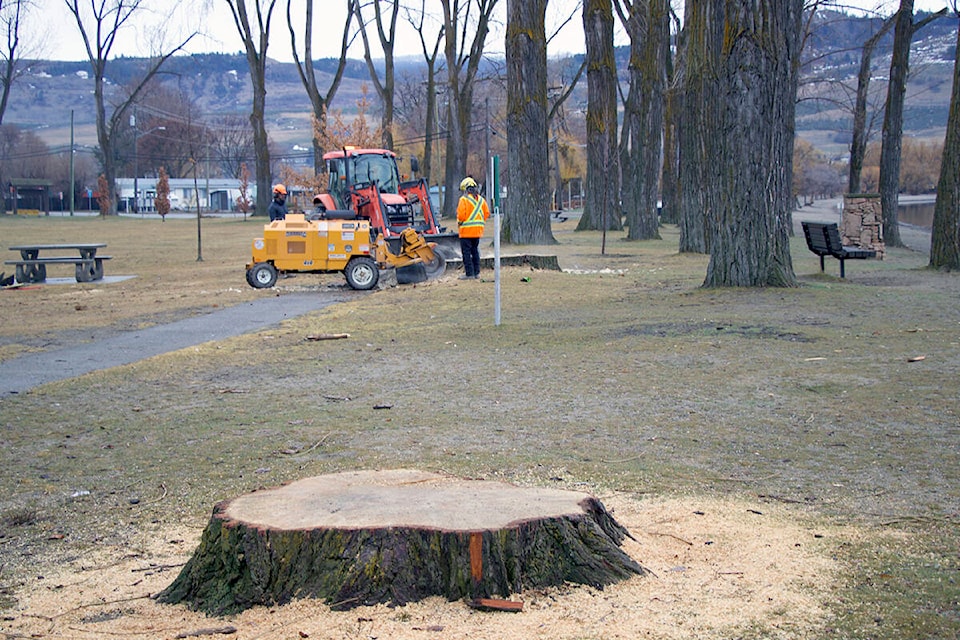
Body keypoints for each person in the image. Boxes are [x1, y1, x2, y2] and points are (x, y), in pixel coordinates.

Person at [456, 176, 490, 280]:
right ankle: (477, 272)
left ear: (466, 189)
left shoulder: (463, 200)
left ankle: (469, 274)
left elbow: (461, 215)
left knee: (466, 253)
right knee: (475, 251)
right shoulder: (481, 200)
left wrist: (460, 222)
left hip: (466, 232)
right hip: (477, 231)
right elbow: (487, 213)